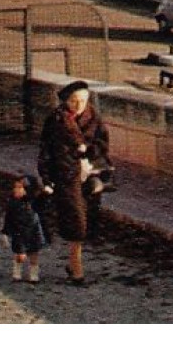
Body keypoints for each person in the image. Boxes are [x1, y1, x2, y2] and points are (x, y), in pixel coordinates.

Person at [37, 80, 110, 284]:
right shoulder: (55, 121)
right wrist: (47, 179)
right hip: (66, 175)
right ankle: (77, 268)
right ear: (66, 101)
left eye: (83, 101)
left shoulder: (93, 117)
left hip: (90, 173)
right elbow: (45, 152)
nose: (79, 106)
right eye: (74, 101)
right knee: (76, 218)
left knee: (87, 218)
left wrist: (88, 150)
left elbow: (103, 143)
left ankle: (72, 259)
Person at [1, 175, 48, 284]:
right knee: (20, 255)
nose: (16, 190)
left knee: (34, 254)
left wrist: (45, 192)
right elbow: (8, 218)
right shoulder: (12, 203)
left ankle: (34, 275)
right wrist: (5, 233)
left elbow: (42, 202)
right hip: (19, 232)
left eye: (20, 188)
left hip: (33, 231)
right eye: (15, 187)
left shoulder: (33, 202)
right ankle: (17, 273)